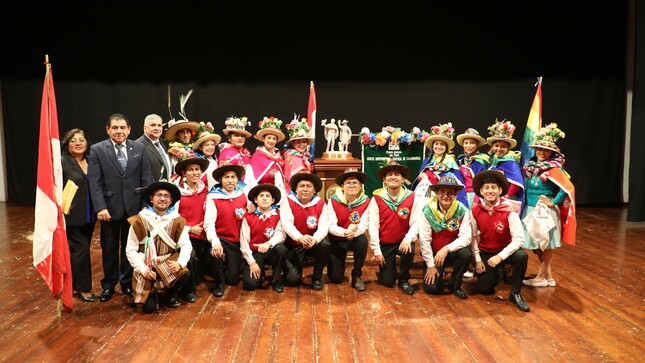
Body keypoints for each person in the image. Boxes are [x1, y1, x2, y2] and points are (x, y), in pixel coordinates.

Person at [88, 113, 154, 302]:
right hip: (109, 209)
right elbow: (95, 182)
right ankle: (109, 285)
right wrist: (100, 207)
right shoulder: (97, 150)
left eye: (122, 128)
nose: (119, 131)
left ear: (129, 130)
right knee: (108, 247)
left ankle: (126, 283)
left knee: (130, 247)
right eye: (115, 128)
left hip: (134, 208)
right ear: (108, 129)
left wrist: (145, 206)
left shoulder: (139, 148)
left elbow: (146, 180)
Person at [521, 123, 576, 288]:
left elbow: (568, 188)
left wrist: (553, 201)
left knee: (545, 245)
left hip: (545, 211)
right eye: (539, 149)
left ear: (551, 153)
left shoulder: (554, 169)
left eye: (545, 150)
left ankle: (540, 277)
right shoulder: (531, 166)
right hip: (530, 209)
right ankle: (548, 276)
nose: (541, 152)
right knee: (536, 245)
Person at [125, 181, 192, 313]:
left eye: (166, 196)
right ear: (151, 199)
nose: (162, 199)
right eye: (159, 195)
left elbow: (186, 245)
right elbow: (130, 250)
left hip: (167, 263)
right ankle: (152, 294)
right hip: (147, 265)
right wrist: (143, 270)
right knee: (148, 309)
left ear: (171, 200)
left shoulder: (177, 220)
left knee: (185, 273)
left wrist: (179, 263)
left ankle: (169, 294)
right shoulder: (138, 220)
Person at [470, 170, 530, 312]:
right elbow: (472, 237)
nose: (490, 191)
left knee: (522, 255)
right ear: (481, 191)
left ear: (500, 190)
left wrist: (500, 257)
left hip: (505, 252)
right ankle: (498, 272)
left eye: (493, 187)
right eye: (486, 188)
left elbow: (520, 239)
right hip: (486, 252)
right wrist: (477, 260)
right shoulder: (475, 210)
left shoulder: (509, 210)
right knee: (484, 289)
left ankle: (515, 292)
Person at [367, 160, 422, 295]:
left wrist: (408, 239)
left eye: (397, 174)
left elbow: (416, 222)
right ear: (384, 179)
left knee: (409, 250)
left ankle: (404, 279)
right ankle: (387, 270)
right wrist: (377, 251)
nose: (393, 177)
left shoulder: (412, 197)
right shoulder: (377, 198)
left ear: (403, 179)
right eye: (389, 174)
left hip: (403, 242)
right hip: (385, 244)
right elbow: (373, 226)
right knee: (387, 282)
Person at [418, 176, 472, 299]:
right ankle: (434, 270)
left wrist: (446, 249)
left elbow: (466, 237)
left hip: (451, 252)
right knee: (433, 289)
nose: (445, 196)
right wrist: (431, 265)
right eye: (442, 192)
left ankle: (455, 283)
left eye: (450, 193)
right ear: (436, 193)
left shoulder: (462, 211)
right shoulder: (427, 211)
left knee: (466, 254)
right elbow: (424, 240)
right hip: (433, 254)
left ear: (455, 195)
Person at [61, 128, 97, 302]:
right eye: (73, 140)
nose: (78, 143)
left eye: (81, 140)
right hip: (71, 214)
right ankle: (83, 288)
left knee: (78, 251)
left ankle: (73, 285)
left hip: (89, 214)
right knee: (81, 250)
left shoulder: (91, 161)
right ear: (67, 144)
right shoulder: (62, 162)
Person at [203, 164, 249, 297]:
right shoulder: (213, 197)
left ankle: (226, 268)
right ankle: (218, 282)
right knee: (216, 253)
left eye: (233, 177)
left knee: (233, 280)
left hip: (237, 240)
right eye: (226, 177)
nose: (230, 180)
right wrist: (215, 242)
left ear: (237, 179)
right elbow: (209, 223)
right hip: (221, 238)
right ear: (220, 180)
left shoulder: (242, 194)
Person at [280, 173, 331, 290]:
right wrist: (299, 237)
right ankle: (296, 268)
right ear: (296, 189)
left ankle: (317, 277)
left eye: (309, 186)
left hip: (313, 243)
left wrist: (314, 239)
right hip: (295, 243)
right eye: (301, 186)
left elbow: (324, 227)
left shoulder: (321, 204)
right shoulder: (288, 202)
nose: (305, 189)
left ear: (314, 190)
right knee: (292, 281)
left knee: (325, 244)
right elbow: (286, 224)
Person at [174, 154, 212, 302]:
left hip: (204, 235)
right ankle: (189, 291)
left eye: (197, 169)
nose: (194, 172)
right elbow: (174, 220)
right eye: (190, 170)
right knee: (191, 257)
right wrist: (190, 229)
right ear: (184, 173)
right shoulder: (178, 194)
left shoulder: (207, 191)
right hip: (186, 235)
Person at [327, 168, 370, 291]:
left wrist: (354, 232)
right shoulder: (333, 201)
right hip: (337, 240)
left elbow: (363, 225)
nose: (351, 185)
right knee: (336, 279)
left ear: (361, 186)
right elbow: (330, 225)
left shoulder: (366, 201)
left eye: (355, 182)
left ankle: (357, 275)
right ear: (342, 186)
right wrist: (345, 232)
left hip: (354, 238)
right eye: (348, 183)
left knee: (362, 241)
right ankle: (338, 265)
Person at [240, 184, 288, 293]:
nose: (265, 198)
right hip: (255, 253)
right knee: (250, 285)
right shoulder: (248, 217)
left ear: (273, 200)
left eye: (268, 196)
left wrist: (268, 244)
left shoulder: (279, 215)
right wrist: (251, 262)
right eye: (261, 196)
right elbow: (244, 242)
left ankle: (276, 280)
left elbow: (280, 234)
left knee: (281, 249)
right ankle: (260, 274)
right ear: (256, 200)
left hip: (272, 250)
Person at [414, 122, 469, 207]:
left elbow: (458, 183)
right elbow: (419, 181)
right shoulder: (427, 161)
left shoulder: (450, 162)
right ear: (432, 146)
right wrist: (421, 177)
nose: (438, 147)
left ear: (446, 148)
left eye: (442, 144)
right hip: (425, 197)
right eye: (436, 144)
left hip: (443, 198)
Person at [486, 118, 525, 211]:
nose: (499, 149)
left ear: (508, 148)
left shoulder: (511, 162)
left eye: (503, 146)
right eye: (496, 146)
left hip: (507, 199)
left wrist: (506, 196)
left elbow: (517, 183)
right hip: (492, 198)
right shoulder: (493, 160)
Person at [250, 116, 286, 194]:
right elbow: (253, 177)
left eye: (274, 139)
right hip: (262, 191)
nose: (271, 141)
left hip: (277, 190)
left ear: (277, 141)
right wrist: (269, 175)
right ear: (264, 139)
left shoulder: (279, 155)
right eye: (269, 138)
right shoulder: (257, 155)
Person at [456, 128, 490, 207]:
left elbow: (482, 183)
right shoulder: (460, 159)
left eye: (472, 143)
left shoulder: (481, 161)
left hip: (473, 195)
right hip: (459, 194)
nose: (468, 146)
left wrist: (476, 200)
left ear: (477, 144)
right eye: (466, 143)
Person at [136, 114, 173, 181]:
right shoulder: (138, 145)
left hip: (168, 188)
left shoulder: (164, 143)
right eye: (153, 125)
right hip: (151, 190)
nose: (157, 128)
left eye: (159, 125)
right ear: (145, 128)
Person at [282, 116, 315, 191]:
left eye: (304, 142)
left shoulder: (305, 157)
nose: (302, 144)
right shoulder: (291, 157)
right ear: (293, 144)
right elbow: (291, 178)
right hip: (294, 191)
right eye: (298, 142)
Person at [192, 121, 222, 190]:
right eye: (207, 145)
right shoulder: (198, 160)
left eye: (212, 145)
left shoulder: (214, 159)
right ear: (200, 147)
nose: (210, 147)